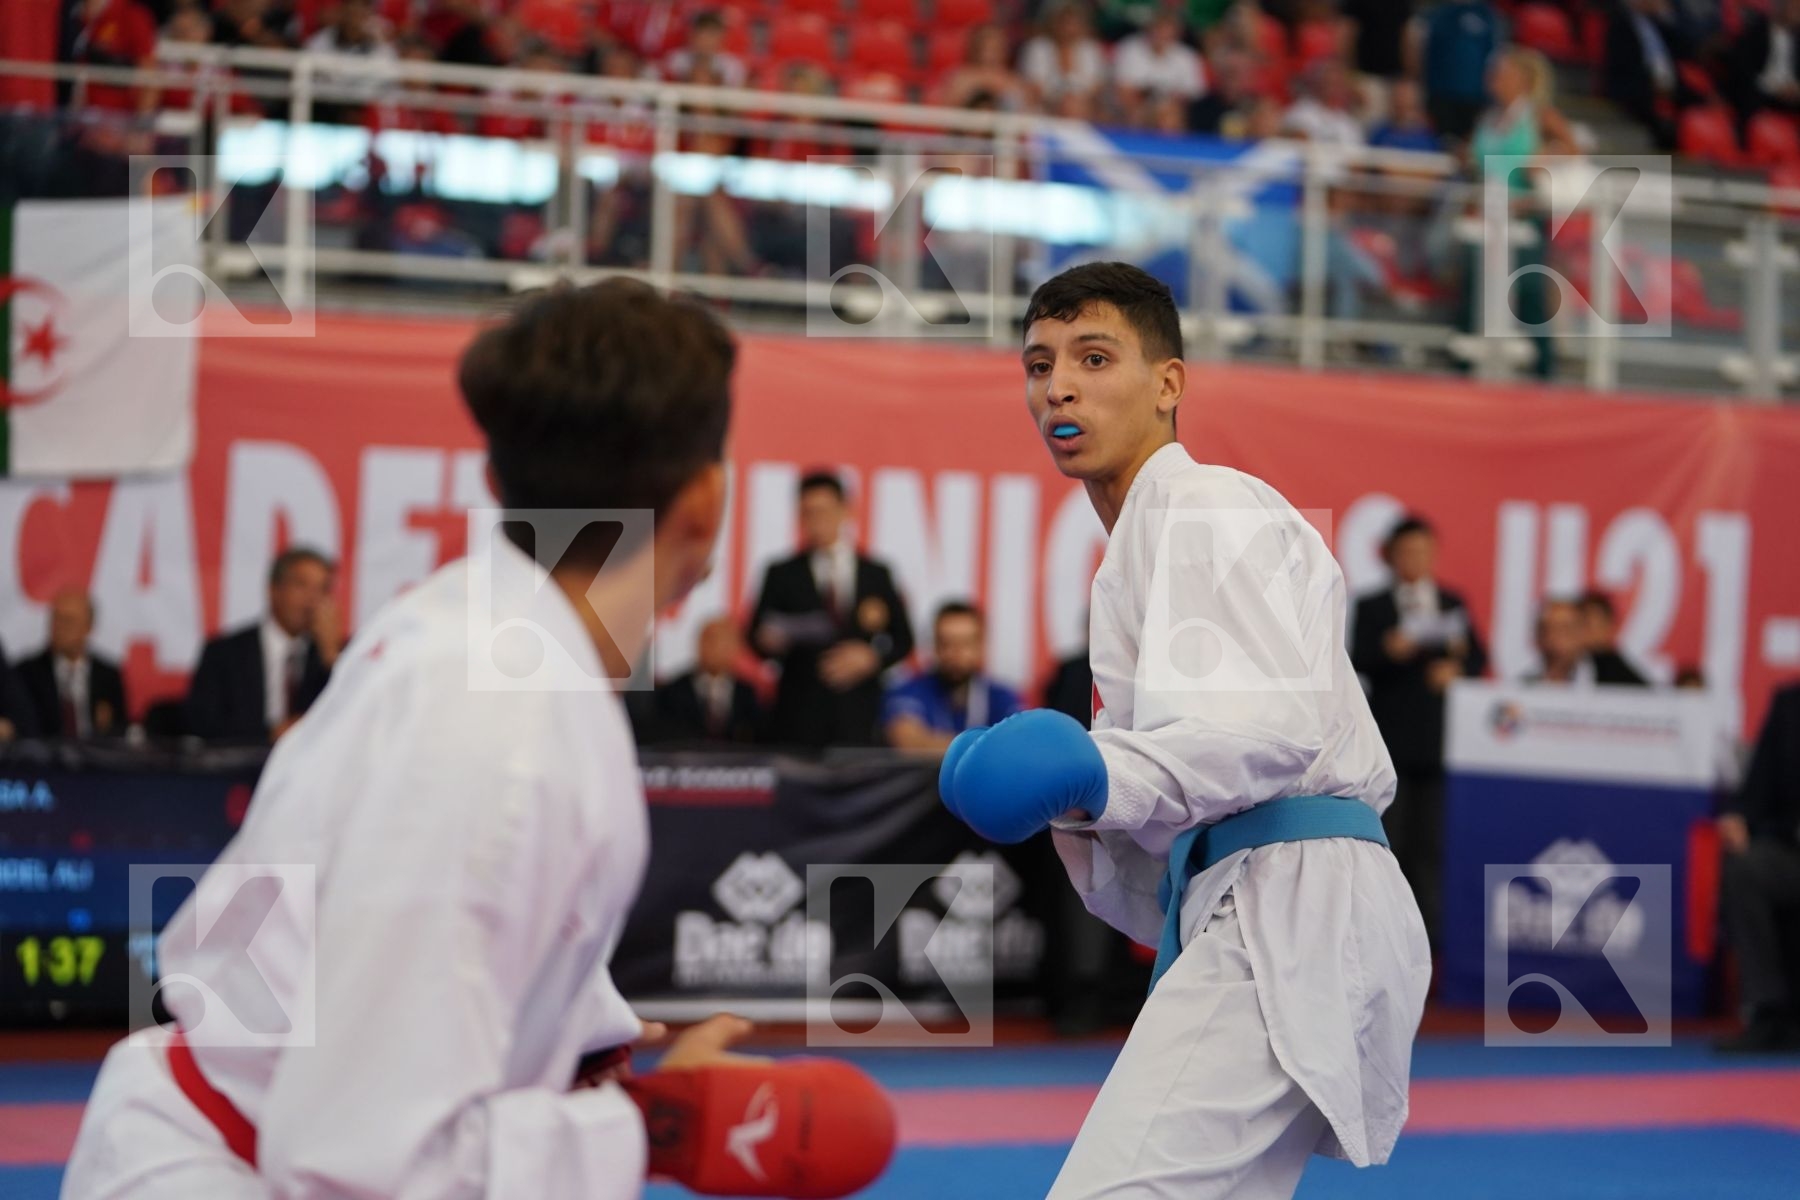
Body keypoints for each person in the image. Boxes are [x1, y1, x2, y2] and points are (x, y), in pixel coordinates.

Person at [64, 280, 895, 1199]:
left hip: (226, 1116)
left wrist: (579, 1042)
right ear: (706, 500)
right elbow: (360, 1157)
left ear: (498, 481)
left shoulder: (478, 628)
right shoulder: (505, 727)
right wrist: (662, 1126)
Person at [937, 262, 1429, 1198]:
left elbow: (1268, 730)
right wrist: (1081, 807)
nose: (1059, 388)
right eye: (1039, 367)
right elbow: (1153, 863)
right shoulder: (1131, 559)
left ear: (1169, 385)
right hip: (1259, 897)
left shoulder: (1202, 506)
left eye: (1092, 357)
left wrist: (1091, 773)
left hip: (1295, 897)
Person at [1350, 514, 1486, 946]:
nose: (1416, 559)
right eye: (1407, 552)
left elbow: (1479, 658)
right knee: (1390, 844)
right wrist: (1390, 651)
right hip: (1389, 740)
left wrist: (1458, 667)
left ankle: (1428, 944)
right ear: (1391, 556)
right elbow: (1358, 659)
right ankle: (1382, 939)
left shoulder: (1451, 601)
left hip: (1439, 742)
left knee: (1431, 847)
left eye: (1423, 551)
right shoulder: (1373, 606)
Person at [749, 471, 914, 748]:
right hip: (798, 712)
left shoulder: (876, 573)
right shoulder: (781, 573)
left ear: (845, 510)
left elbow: (904, 639)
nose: (816, 521)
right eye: (808, 513)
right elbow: (754, 634)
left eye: (823, 511)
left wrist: (872, 657)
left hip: (859, 713)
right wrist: (769, 642)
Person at [1714, 680, 1800, 1053]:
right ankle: (1768, 1011)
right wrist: (1739, 816)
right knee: (1747, 869)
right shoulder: (1789, 703)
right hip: (1791, 849)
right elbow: (1758, 782)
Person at [183, 548, 343, 743]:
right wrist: (270, 734)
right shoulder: (225, 653)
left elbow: (352, 717)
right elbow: (202, 723)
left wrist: (331, 656)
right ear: (273, 590)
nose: (312, 600)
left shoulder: (334, 656)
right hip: (241, 767)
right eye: (301, 586)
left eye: (323, 589)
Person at [882, 602, 1023, 753]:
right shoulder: (908, 691)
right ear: (934, 645)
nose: (955, 653)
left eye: (965, 643)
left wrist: (934, 743)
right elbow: (909, 743)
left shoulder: (1002, 696)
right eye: (946, 643)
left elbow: (1018, 745)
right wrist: (989, 748)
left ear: (981, 646)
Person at [18, 589, 127, 739]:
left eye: (68, 621)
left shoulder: (108, 675)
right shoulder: (26, 673)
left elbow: (121, 730)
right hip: (46, 759)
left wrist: (107, 726)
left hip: (95, 759)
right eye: (55, 619)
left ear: (88, 627)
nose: (59, 628)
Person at [646, 615, 763, 745]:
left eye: (726, 641)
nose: (718, 647)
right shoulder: (673, 692)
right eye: (711, 639)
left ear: (737, 647)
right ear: (698, 643)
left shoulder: (746, 694)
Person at [1576, 589, 1650, 686]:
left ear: (1611, 627)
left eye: (1592, 625)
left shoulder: (1626, 680)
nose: (1587, 632)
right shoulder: (1567, 669)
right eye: (1582, 624)